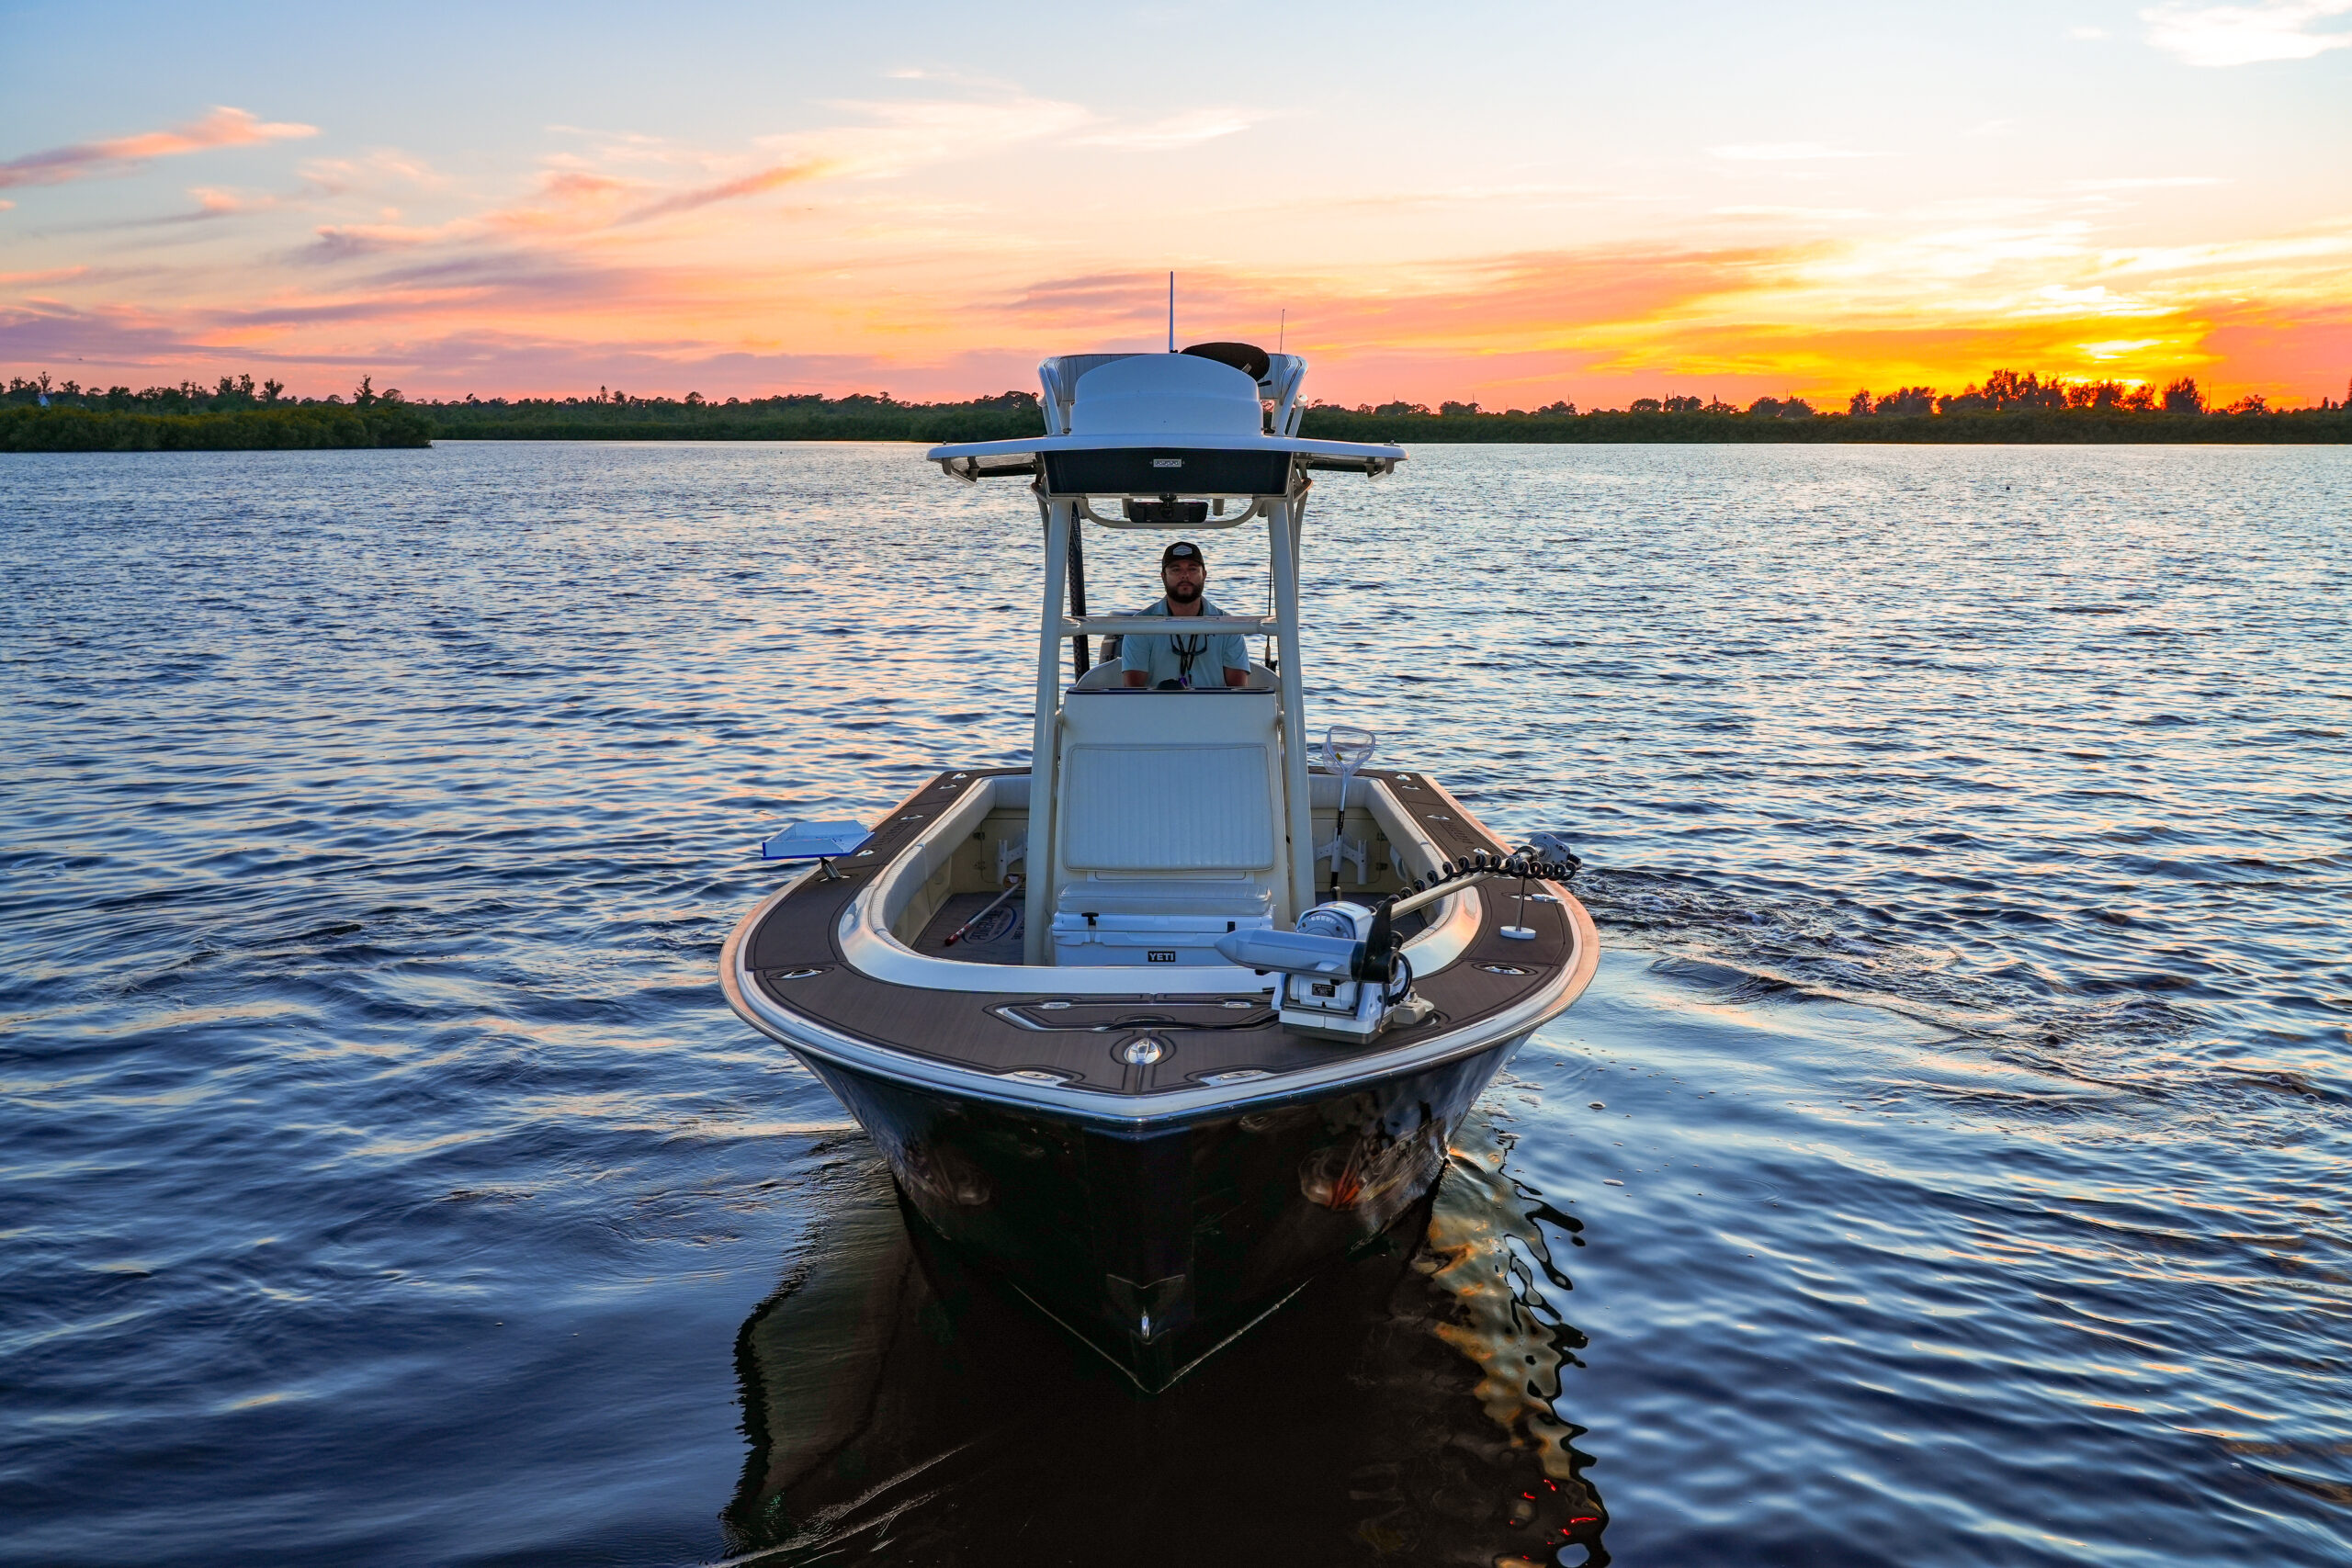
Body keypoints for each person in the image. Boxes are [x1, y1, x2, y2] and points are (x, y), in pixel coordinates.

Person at [1122, 540, 1251, 689]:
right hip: (1155, 704)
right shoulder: (1140, 625)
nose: (1185, 575)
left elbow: (1239, 691)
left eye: (1193, 569)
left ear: (1204, 575)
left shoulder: (1229, 625)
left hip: (1214, 705)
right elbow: (1133, 692)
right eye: (1176, 569)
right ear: (1163, 577)